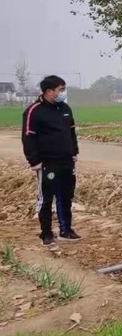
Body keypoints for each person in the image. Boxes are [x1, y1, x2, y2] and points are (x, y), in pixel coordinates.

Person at [21, 75, 80, 250]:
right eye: (60, 89)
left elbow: (71, 132)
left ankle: (66, 230)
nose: (63, 92)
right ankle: (46, 233)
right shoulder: (34, 111)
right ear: (48, 91)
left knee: (66, 196)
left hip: (66, 161)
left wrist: (74, 152)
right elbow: (28, 137)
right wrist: (34, 161)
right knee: (46, 198)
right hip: (47, 163)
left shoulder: (65, 108)